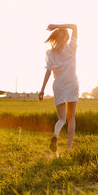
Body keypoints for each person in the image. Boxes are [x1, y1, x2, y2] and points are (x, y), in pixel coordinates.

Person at [39, 23, 79, 153]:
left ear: (55, 39)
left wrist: (42, 89)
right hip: (72, 84)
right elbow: (74, 26)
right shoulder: (71, 47)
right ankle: (69, 147)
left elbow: (48, 72)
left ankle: (55, 135)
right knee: (71, 117)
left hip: (59, 87)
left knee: (61, 119)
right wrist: (56, 25)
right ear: (67, 38)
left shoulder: (50, 53)